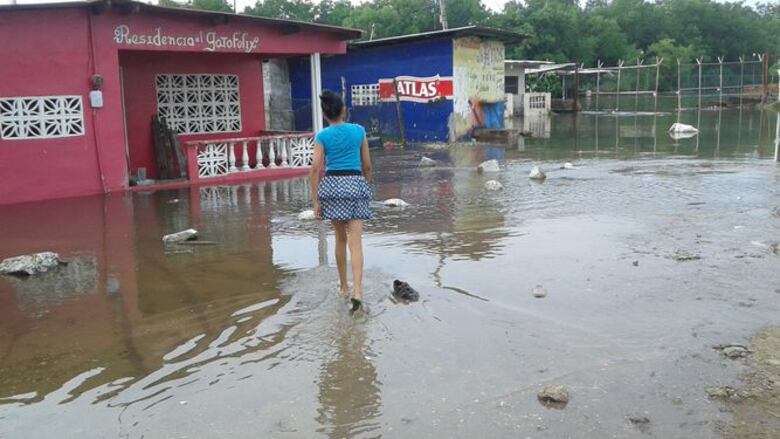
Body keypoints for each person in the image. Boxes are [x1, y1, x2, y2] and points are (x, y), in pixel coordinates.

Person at [309, 90, 372, 313]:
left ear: (325, 114)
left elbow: (316, 168)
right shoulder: (359, 131)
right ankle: (357, 292)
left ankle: (343, 287)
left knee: (340, 240)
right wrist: (364, 185)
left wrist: (316, 201)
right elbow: (367, 165)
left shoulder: (322, 136)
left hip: (332, 186)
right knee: (356, 242)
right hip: (355, 183)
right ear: (343, 110)